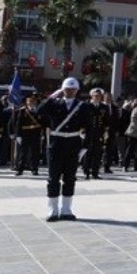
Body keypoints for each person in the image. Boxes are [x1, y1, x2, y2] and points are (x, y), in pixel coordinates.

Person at [36, 77, 93, 221]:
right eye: (67, 89)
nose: (70, 92)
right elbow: (39, 110)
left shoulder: (83, 106)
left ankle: (66, 210)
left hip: (73, 144)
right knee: (53, 178)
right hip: (56, 144)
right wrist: (51, 97)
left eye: (73, 89)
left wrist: (85, 146)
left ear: (77, 90)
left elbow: (89, 128)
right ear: (63, 90)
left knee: (70, 178)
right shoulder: (54, 104)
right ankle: (53, 210)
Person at [83, 88, 111, 180]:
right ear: (92, 96)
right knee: (88, 152)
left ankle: (95, 172)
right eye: (95, 96)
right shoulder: (86, 105)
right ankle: (86, 171)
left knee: (97, 153)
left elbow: (106, 121)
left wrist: (106, 132)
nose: (97, 97)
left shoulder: (104, 107)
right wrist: (82, 131)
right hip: (88, 132)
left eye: (99, 96)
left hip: (99, 133)